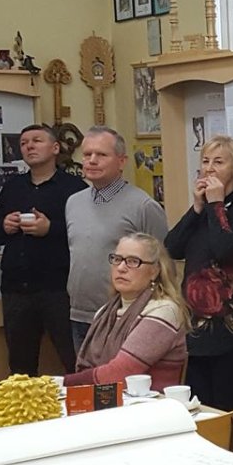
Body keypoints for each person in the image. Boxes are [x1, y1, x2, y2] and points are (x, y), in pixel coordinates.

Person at [165, 135, 233, 412]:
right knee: (198, 404)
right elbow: (171, 248)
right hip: (198, 323)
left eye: (219, 162)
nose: (209, 168)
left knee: (224, 404)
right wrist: (197, 208)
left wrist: (215, 205)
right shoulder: (205, 208)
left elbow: (227, 251)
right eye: (205, 161)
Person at [0, 123, 85, 375]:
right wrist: (5, 225)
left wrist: (50, 228)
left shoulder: (75, 188)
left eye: (36, 141)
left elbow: (86, 233)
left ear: (55, 148)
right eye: (23, 143)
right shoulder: (12, 187)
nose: (29, 146)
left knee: (73, 359)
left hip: (59, 288)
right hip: (16, 289)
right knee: (20, 366)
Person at [66, 127, 169, 351]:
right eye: (87, 154)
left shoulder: (143, 206)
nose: (92, 160)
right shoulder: (73, 202)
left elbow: (163, 267)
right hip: (79, 315)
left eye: (101, 155)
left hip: (124, 316)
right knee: (84, 373)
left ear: (121, 161)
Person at [65, 233, 190, 391]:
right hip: (104, 400)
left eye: (133, 261)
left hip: (150, 403)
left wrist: (60, 383)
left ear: (155, 271)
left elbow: (120, 374)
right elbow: (86, 367)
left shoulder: (164, 311)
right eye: (117, 259)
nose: (121, 268)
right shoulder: (104, 313)